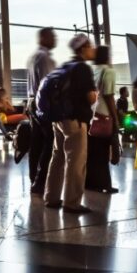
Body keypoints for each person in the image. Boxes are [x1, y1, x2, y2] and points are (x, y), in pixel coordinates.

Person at [44, 34, 97, 214]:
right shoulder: (82, 68)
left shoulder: (65, 66)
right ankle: (71, 202)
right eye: (90, 46)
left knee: (57, 158)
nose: (93, 49)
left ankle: (51, 197)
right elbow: (90, 97)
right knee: (76, 161)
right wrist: (94, 95)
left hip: (58, 119)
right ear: (82, 48)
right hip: (75, 120)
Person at [26, 27, 56, 197]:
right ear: (44, 38)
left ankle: (34, 179)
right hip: (42, 103)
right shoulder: (44, 57)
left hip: (31, 102)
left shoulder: (33, 57)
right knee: (51, 142)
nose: (55, 39)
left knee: (36, 143)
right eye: (52, 36)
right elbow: (47, 86)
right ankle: (41, 180)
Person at [86, 45, 120, 194]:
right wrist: (115, 117)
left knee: (93, 152)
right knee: (104, 151)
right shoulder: (108, 71)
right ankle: (105, 183)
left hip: (92, 114)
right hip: (104, 113)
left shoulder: (93, 70)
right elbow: (109, 96)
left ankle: (91, 182)